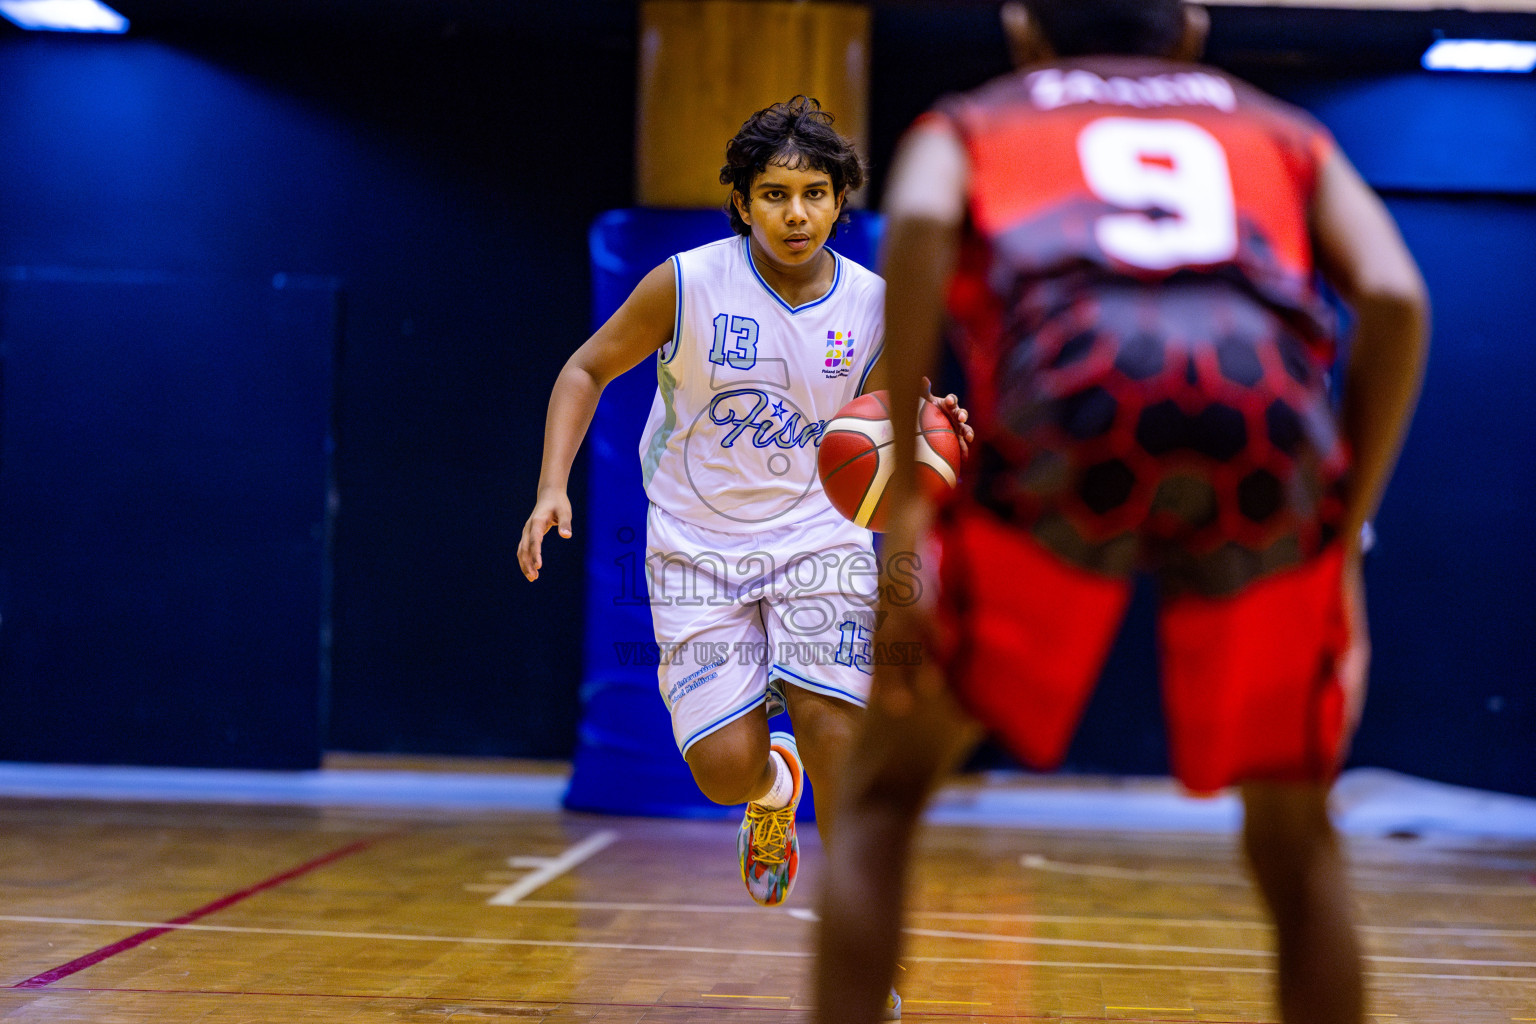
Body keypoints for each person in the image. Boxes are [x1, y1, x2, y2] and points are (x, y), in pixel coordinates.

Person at [813, 3, 1429, 1024]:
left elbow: (919, 223)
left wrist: (912, 504)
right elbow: (1398, 298)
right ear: (1191, 30)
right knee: (1292, 831)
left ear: (1023, 29)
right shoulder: (1281, 128)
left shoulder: (973, 119)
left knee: (881, 798)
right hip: (1265, 435)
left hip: (1073, 408)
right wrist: (1341, 533)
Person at [518, 95, 968, 1020]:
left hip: (819, 539)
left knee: (841, 736)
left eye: (813, 193)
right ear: (742, 202)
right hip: (695, 542)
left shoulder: (878, 303)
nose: (794, 213)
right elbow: (584, 369)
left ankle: (863, 969)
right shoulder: (683, 284)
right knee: (721, 767)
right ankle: (771, 788)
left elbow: (885, 433)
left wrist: (934, 438)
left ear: (843, 201)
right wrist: (552, 487)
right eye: (773, 194)